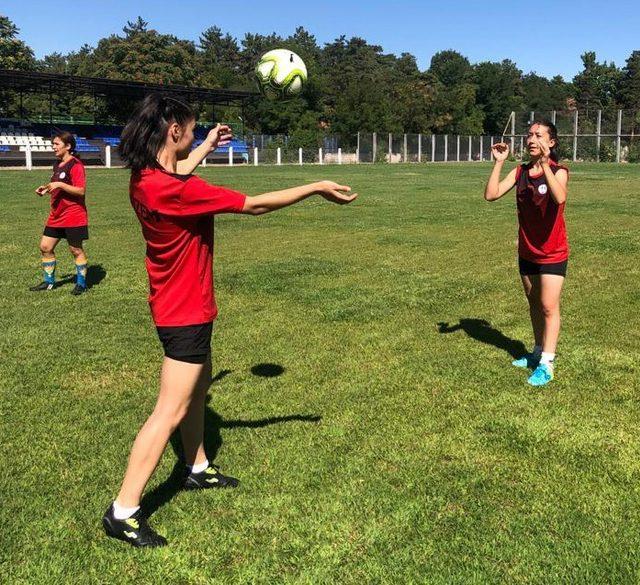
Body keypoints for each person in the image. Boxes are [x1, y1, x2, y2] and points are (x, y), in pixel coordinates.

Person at [102, 94, 357, 547]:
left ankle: (196, 467)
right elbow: (255, 204)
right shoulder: (177, 190)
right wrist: (314, 186)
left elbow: (176, 173)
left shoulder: (146, 178)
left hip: (178, 304)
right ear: (172, 131)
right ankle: (124, 509)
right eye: (193, 130)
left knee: (198, 393)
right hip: (184, 311)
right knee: (169, 410)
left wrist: (205, 149)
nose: (196, 136)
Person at [484, 120, 569, 387]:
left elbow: (560, 197)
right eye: (529, 135)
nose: (531, 139)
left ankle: (548, 362)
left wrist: (544, 165)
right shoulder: (519, 171)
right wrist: (499, 162)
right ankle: (536, 352)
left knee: (548, 306)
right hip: (527, 250)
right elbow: (491, 194)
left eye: (538, 135)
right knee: (534, 304)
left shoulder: (559, 170)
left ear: (551, 142)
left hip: (553, 252)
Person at [30, 131, 89, 295]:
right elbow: (56, 185)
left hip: (73, 215)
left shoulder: (76, 165)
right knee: (45, 246)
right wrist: (46, 188)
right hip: (56, 215)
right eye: (53, 144)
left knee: (75, 250)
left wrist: (59, 185)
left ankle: (81, 284)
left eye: (57, 144)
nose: (53, 147)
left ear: (68, 146)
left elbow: (80, 191)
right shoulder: (57, 165)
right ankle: (49, 282)